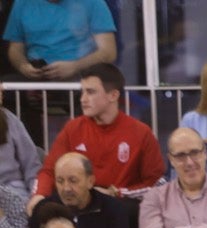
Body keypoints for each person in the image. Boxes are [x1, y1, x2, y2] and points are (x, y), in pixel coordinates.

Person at [30, 64, 162, 208]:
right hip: (77, 203)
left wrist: (117, 193)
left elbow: (154, 184)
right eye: (82, 92)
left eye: (91, 92)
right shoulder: (73, 128)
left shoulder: (141, 133)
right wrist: (39, 195)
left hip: (119, 206)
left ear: (113, 95)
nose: (83, 99)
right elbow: (49, 170)